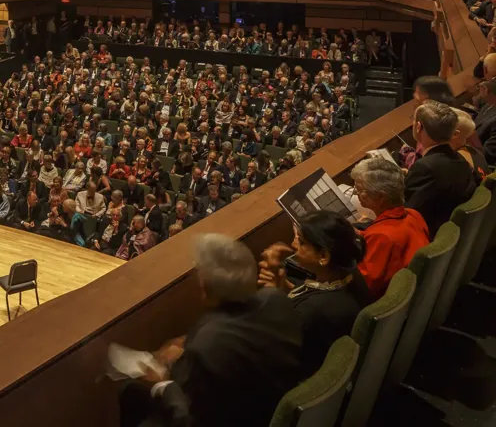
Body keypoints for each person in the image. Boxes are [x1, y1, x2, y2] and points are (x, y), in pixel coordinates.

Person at [118, 233, 302, 427]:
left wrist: (161, 382)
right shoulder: (277, 300)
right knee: (131, 392)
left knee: (133, 393)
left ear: (204, 286)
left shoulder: (207, 344)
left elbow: (187, 418)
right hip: (272, 405)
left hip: (234, 418)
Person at [258, 211, 371, 378]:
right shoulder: (349, 271)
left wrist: (271, 295)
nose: (294, 244)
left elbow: (268, 345)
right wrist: (284, 286)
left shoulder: (310, 312)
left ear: (323, 256)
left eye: (301, 242)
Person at [350, 157, 430, 298]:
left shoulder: (381, 237)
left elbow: (362, 285)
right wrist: (360, 235)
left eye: (360, 190)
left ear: (380, 197)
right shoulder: (413, 214)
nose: (356, 194)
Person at [404, 100, 477, 237]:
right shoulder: (460, 159)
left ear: (418, 127)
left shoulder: (425, 168)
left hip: (426, 236)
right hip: (451, 234)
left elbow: (409, 215)